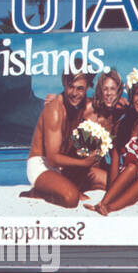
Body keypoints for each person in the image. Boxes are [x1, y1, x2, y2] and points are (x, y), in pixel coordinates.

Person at [90, 66, 138, 215]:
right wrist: (111, 188)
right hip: (127, 175)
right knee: (131, 167)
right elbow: (115, 159)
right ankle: (103, 202)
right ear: (131, 95)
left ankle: (108, 207)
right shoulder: (120, 125)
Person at [23, 71, 95, 208]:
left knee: (102, 182)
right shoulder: (55, 109)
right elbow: (52, 158)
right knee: (71, 198)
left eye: (80, 88)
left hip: (61, 167)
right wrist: (84, 163)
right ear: (64, 83)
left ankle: (56, 186)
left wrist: (124, 102)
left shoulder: (81, 105)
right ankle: (38, 191)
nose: (74, 93)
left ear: (87, 88)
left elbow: (105, 105)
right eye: (70, 86)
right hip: (41, 165)